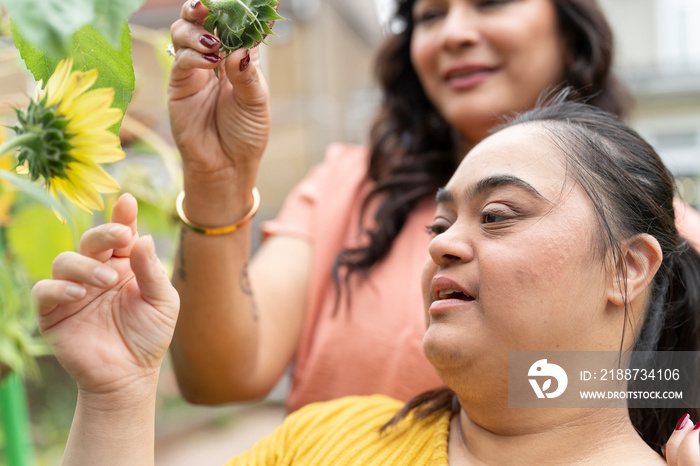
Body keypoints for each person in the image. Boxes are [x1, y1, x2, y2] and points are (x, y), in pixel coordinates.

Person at [34, 101, 700, 464]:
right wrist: (118, 394)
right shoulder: (327, 441)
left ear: (628, 266)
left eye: (497, 215)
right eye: (440, 222)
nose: (443, 244)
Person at [167, 0, 700, 412]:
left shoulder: (664, 236)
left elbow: (671, 395)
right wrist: (217, 178)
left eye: (491, 2)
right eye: (431, 15)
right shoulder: (347, 183)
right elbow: (220, 378)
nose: (455, 33)